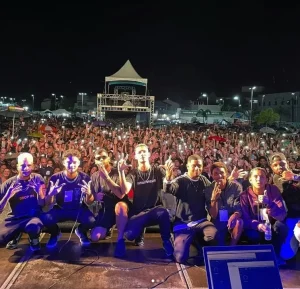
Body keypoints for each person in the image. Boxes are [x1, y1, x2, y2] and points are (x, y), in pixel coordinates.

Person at [117, 143, 173, 258]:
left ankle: (167, 242)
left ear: (148, 154)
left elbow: (167, 185)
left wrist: (168, 175)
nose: (142, 154)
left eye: (144, 152)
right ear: (135, 156)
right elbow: (125, 190)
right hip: (139, 214)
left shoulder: (157, 170)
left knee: (164, 212)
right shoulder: (133, 174)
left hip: (155, 211)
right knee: (129, 235)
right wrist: (121, 172)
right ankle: (139, 232)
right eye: (139, 152)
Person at [164, 154, 217, 264]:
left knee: (212, 235)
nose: (197, 168)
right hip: (183, 222)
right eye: (194, 166)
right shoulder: (181, 180)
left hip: (200, 221)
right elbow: (170, 189)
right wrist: (168, 177)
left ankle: (196, 240)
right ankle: (180, 238)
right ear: (188, 166)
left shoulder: (204, 180)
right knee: (180, 258)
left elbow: (214, 188)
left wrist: (228, 179)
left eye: (200, 166)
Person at [43, 149, 96, 247]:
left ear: (79, 163)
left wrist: (89, 194)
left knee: (91, 220)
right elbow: (48, 203)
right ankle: (55, 233)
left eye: (75, 162)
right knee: (46, 219)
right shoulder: (55, 178)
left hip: (78, 209)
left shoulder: (85, 178)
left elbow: (89, 202)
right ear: (64, 162)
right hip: (60, 208)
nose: (72, 165)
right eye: (69, 162)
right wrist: (51, 194)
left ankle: (81, 232)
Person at [240, 167, 288, 265]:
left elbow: (282, 214)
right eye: (255, 177)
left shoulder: (273, 190)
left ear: (266, 179)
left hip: (271, 225)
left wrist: (269, 203)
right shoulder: (244, 196)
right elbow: (245, 219)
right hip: (255, 227)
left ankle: (277, 256)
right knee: (253, 235)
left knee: (281, 227)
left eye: (262, 177)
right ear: (250, 180)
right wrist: (257, 225)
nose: (258, 179)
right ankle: (257, 259)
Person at [89, 149, 131, 257]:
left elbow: (121, 194)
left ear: (108, 158)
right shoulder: (94, 176)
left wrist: (107, 178)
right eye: (98, 158)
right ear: (95, 161)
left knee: (120, 206)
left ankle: (120, 239)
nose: (101, 160)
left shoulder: (117, 172)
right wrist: (95, 197)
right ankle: (107, 230)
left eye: (103, 157)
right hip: (106, 209)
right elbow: (91, 198)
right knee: (95, 237)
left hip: (120, 206)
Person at [0, 153, 46, 251]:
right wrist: (7, 196)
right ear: (17, 167)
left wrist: (39, 193)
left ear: (33, 166)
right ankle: (16, 234)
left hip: (32, 217)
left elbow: (42, 204)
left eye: (28, 165)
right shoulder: (9, 183)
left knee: (34, 226)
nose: (25, 168)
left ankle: (34, 239)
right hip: (15, 218)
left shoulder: (38, 178)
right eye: (22, 165)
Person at [269, 153, 300, 260]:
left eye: (282, 164)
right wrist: (292, 179)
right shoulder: (277, 178)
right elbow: (286, 189)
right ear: (272, 168)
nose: (279, 167)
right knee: (286, 255)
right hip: (291, 217)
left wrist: (295, 177)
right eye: (275, 165)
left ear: (287, 163)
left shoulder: (295, 173)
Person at [204, 162, 243, 245]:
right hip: (218, 219)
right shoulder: (208, 190)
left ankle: (232, 248)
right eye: (216, 173)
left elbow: (239, 207)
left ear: (226, 173)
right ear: (212, 175)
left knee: (239, 222)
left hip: (232, 217)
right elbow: (213, 215)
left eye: (222, 173)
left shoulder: (236, 187)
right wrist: (214, 199)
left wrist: (235, 214)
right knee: (219, 243)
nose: (219, 176)